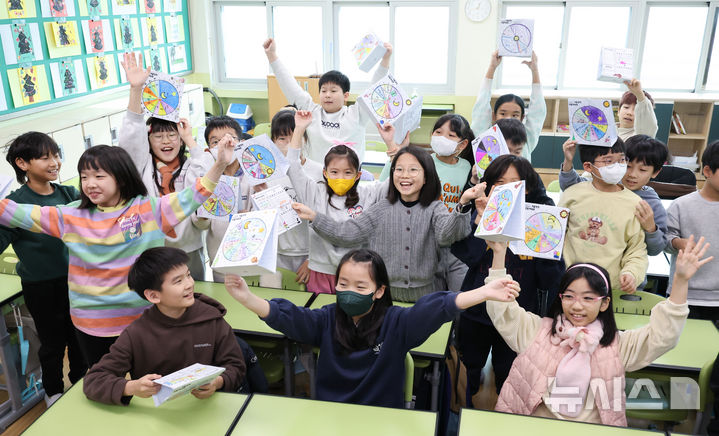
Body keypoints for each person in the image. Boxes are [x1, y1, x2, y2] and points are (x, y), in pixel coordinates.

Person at [0, 137, 235, 366]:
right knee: (106, 382)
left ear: (121, 178)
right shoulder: (70, 216)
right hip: (91, 323)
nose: (90, 183)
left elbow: (195, 194)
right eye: (84, 177)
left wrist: (220, 164)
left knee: (149, 382)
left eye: (99, 176)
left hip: (144, 318)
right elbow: (15, 213)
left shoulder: (149, 210)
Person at [224, 248, 520, 408]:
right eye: (342, 284)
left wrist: (483, 292)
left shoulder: (396, 323)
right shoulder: (326, 318)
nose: (348, 291)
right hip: (329, 414)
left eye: (360, 286)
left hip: (380, 419)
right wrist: (247, 298)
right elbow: (288, 317)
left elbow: (438, 307)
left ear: (379, 291)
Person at [486, 237, 710, 425]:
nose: (577, 305)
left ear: (604, 303)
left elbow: (663, 336)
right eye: (569, 296)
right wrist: (499, 253)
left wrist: (680, 281)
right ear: (560, 298)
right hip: (532, 428)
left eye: (588, 298)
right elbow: (500, 310)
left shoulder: (617, 345)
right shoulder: (537, 331)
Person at [293, 145, 483, 302]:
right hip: (386, 297)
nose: (404, 175)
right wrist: (315, 217)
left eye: (413, 170)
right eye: (399, 169)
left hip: (427, 297)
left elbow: (448, 235)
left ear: (426, 176)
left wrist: (463, 204)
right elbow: (349, 233)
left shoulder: (435, 208)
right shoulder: (382, 207)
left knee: (425, 347)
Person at [451, 154, 564, 399]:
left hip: (519, 315)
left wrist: (548, 246)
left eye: (517, 183)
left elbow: (551, 279)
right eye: (501, 183)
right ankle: (461, 412)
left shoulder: (540, 221)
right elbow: (465, 255)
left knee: (510, 373)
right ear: (489, 186)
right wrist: (481, 223)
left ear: (529, 188)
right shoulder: (481, 212)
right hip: (476, 310)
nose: (509, 189)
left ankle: (507, 411)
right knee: (469, 367)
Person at [83, 247, 246, 405]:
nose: (189, 284)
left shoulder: (212, 320)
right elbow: (94, 380)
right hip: (156, 417)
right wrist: (132, 387)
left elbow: (236, 366)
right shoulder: (136, 333)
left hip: (205, 409)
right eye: (178, 281)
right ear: (153, 295)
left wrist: (217, 382)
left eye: (188, 275)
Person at [0, 132, 87, 405]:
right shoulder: (14, 205)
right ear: (22, 163)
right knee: (51, 343)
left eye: (57, 154)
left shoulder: (69, 194)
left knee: (79, 339)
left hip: (77, 282)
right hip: (40, 286)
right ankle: (53, 391)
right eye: (45, 157)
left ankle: (82, 383)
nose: (55, 162)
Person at [119, 52, 207, 280]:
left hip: (189, 249)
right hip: (151, 251)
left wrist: (189, 138)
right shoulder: (142, 165)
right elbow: (131, 137)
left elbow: (206, 182)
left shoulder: (191, 165)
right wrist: (136, 90)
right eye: (159, 136)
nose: (167, 141)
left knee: (193, 298)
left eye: (172, 135)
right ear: (148, 140)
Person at [285, 111, 388, 294]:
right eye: (334, 172)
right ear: (324, 173)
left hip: (359, 275)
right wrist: (299, 129)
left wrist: (392, 144)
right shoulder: (314, 192)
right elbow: (292, 166)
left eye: (347, 173)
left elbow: (395, 182)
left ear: (358, 175)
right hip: (320, 273)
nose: (340, 177)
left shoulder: (368, 193)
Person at [262, 38, 392, 164]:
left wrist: (385, 59)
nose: (327, 95)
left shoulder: (357, 113)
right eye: (323, 91)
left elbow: (374, 87)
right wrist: (272, 55)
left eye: (333, 91)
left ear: (346, 95)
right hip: (316, 180)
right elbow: (289, 86)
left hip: (348, 180)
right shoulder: (310, 112)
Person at [558, 139, 647, 294]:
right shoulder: (572, 194)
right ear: (588, 166)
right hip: (568, 286)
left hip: (608, 289)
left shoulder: (634, 203)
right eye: (608, 161)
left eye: (621, 160)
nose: (617, 166)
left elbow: (636, 250)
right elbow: (555, 235)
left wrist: (631, 273)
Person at [560, 135, 669, 256]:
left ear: (655, 172)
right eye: (627, 166)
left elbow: (656, 249)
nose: (632, 174)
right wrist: (568, 162)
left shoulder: (650, 203)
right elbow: (572, 187)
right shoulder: (606, 183)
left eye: (642, 170)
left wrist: (651, 229)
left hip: (624, 269)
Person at [666, 141, 719, 320]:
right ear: (707, 171)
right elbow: (665, 239)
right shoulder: (681, 205)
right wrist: (678, 242)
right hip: (685, 294)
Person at [470, 50, 545, 162]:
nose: (509, 118)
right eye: (503, 113)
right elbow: (481, 104)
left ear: (522, 118)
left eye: (515, 115)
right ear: (494, 116)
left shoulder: (527, 138)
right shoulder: (485, 136)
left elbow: (538, 111)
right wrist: (492, 67)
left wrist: (535, 70)